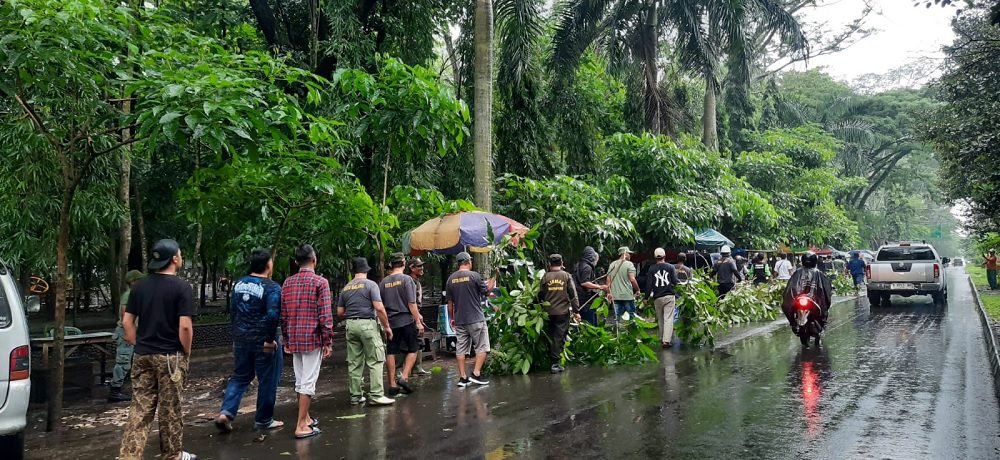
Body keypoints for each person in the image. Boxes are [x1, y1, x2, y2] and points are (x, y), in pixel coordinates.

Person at [119, 239, 197, 460]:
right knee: (170, 408)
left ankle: (129, 456)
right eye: (180, 254)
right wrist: (186, 352)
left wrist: (139, 343)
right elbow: (185, 326)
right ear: (174, 259)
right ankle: (172, 455)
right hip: (170, 356)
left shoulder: (140, 286)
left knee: (140, 408)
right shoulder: (182, 288)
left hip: (143, 354)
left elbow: (127, 322)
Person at [214, 248, 284, 433]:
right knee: (268, 380)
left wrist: (236, 334)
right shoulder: (271, 287)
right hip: (263, 342)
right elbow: (272, 315)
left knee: (240, 376)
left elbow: (233, 311)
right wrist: (270, 339)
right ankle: (264, 420)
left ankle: (226, 412)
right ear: (268, 265)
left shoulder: (238, 284)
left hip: (241, 339)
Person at [280, 245, 334, 439]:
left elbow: (284, 315)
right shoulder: (320, 282)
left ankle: (307, 417)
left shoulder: (287, 283)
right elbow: (325, 316)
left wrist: (286, 338)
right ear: (314, 259)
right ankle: (301, 425)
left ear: (296, 262)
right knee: (308, 383)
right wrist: (327, 341)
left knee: (300, 380)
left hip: (294, 338)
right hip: (312, 339)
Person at [337, 257, 396, 406]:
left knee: (354, 362)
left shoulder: (346, 288)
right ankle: (376, 395)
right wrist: (387, 327)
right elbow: (379, 308)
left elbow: (340, 312)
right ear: (366, 270)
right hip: (367, 324)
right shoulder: (371, 285)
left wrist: (353, 312)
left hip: (350, 325)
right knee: (375, 359)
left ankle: (356, 396)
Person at [447, 251, 494, 387]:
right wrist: (494, 276)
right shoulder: (474, 276)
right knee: (482, 346)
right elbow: (488, 291)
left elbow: (450, 303)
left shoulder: (451, 279)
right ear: (468, 262)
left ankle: (462, 377)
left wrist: (452, 318)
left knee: (460, 349)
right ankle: (476, 374)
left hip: (460, 320)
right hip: (476, 319)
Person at [380, 253, 424, 396]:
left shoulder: (384, 282)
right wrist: (418, 322)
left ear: (391, 265)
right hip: (406, 320)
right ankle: (404, 377)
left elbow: (380, 306)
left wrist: (385, 324)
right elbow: (412, 303)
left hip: (391, 322)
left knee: (391, 351)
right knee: (413, 348)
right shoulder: (407, 280)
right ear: (404, 264)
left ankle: (392, 384)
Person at [538, 254, 580, 373]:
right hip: (562, 312)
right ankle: (555, 364)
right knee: (559, 337)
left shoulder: (545, 277)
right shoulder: (566, 276)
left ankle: (550, 360)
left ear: (549, 264)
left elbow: (540, 294)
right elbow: (573, 294)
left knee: (551, 336)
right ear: (562, 263)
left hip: (548, 312)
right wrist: (576, 311)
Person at [109, 269, 144, 403]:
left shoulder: (134, 295)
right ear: (133, 282)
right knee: (123, 362)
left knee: (134, 361)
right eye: (139, 280)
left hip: (133, 331)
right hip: (126, 332)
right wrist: (130, 333)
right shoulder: (128, 295)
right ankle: (115, 390)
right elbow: (125, 316)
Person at [781, 252, 833, 331]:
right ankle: (794, 323)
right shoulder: (817, 273)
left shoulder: (799, 272)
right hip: (804, 299)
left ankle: (794, 323)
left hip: (808, 299)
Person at [645, 248, 680, 348]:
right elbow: (675, 281)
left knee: (660, 319)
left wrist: (646, 297)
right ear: (665, 256)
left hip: (657, 297)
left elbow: (649, 284)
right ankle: (666, 341)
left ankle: (662, 338)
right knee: (668, 318)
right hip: (669, 295)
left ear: (655, 258)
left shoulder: (651, 268)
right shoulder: (670, 267)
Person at [407, 257, 432, 376]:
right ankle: (409, 369)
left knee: (418, 340)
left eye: (422, 265)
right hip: (411, 315)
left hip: (416, 313)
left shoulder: (416, 281)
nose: (422, 268)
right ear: (411, 268)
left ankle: (417, 367)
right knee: (412, 341)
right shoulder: (409, 281)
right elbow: (411, 302)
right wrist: (417, 316)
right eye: (418, 266)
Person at [573, 246, 607, 326]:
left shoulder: (580, 264)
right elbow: (584, 283)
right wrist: (600, 287)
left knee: (581, 322)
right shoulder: (587, 267)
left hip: (579, 298)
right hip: (585, 299)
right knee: (589, 323)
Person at [608, 247, 640, 320]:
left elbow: (608, 280)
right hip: (627, 296)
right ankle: (631, 331)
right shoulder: (629, 264)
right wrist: (637, 289)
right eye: (629, 253)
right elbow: (632, 279)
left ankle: (616, 330)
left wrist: (609, 292)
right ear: (624, 253)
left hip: (615, 296)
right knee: (632, 317)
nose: (630, 255)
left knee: (617, 318)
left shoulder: (612, 264)